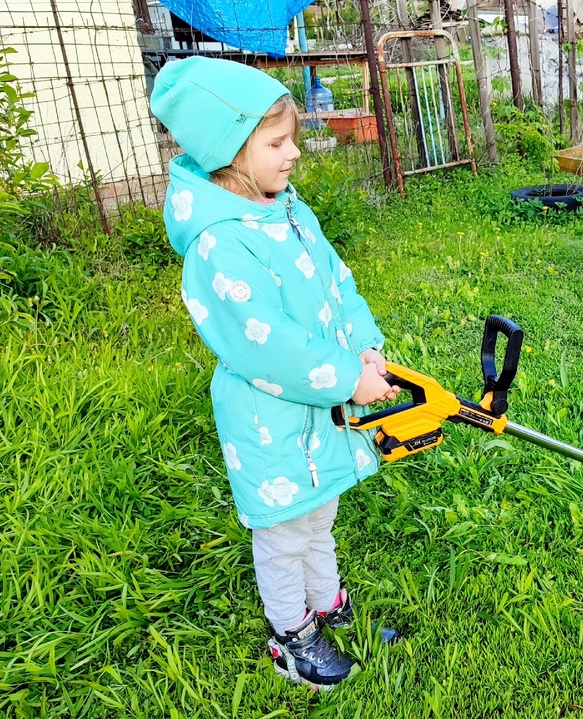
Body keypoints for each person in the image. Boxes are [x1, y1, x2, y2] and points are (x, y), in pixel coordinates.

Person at [150, 56, 400, 692]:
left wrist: (365, 349)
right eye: (276, 141)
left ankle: (325, 600)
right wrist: (348, 376)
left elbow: (336, 282)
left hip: (322, 400)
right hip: (272, 414)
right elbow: (268, 348)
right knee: (284, 528)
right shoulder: (221, 243)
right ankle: (291, 634)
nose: (294, 153)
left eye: (290, 138)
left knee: (319, 510)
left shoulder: (288, 210)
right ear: (231, 150)